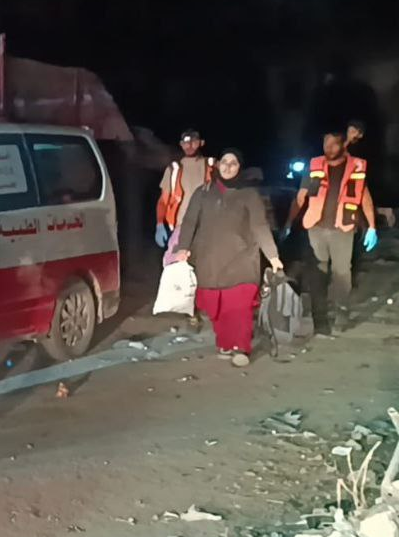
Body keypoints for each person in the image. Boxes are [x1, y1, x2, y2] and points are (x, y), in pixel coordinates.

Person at [174, 150, 283, 367]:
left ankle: (241, 347)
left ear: (240, 167)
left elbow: (259, 225)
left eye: (233, 163)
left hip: (242, 260)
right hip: (209, 260)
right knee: (217, 307)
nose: (228, 167)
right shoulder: (203, 192)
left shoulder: (249, 194)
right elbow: (189, 221)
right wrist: (183, 247)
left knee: (240, 307)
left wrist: (273, 256)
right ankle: (225, 343)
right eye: (224, 162)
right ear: (218, 165)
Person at [281, 131, 378, 335]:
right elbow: (301, 196)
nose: (329, 148)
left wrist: (372, 227)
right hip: (316, 228)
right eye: (326, 143)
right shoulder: (315, 165)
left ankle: (341, 313)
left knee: (342, 273)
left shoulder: (356, 167)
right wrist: (289, 222)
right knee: (317, 274)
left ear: (343, 145)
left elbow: (365, 197)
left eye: (333, 144)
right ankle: (320, 321)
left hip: (343, 229)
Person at [155, 129, 215, 250]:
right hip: (179, 229)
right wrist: (160, 224)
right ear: (181, 144)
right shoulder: (173, 169)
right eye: (186, 143)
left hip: (205, 228)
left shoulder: (212, 166)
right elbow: (163, 201)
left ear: (201, 143)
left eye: (194, 142)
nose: (189, 145)